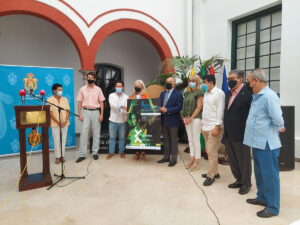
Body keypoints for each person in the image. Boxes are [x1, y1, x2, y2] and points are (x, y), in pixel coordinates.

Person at [244, 68, 285, 218]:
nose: (247, 84)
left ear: (256, 80)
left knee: (270, 175)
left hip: (267, 143)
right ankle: (262, 197)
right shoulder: (256, 96)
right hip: (257, 141)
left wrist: (280, 127)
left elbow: (278, 117)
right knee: (260, 173)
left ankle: (273, 207)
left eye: (248, 81)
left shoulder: (269, 96)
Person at [224, 69, 252, 195]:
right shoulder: (228, 93)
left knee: (243, 160)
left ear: (240, 79)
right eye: (228, 78)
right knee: (233, 159)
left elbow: (252, 114)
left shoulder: (248, 93)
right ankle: (238, 180)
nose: (229, 81)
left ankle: (246, 183)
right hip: (229, 132)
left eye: (232, 78)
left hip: (242, 133)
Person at [76, 72, 105, 163]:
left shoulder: (98, 89)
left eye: (91, 77)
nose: (89, 79)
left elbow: (101, 102)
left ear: (94, 79)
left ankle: (95, 152)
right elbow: (80, 102)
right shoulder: (82, 89)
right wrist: (80, 114)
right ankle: (82, 154)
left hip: (96, 111)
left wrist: (101, 114)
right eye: (88, 77)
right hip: (85, 111)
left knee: (96, 132)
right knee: (84, 133)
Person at [201, 75, 225, 186]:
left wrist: (217, 127)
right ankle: (215, 172)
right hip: (205, 126)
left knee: (211, 153)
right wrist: (202, 124)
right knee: (211, 152)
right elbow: (206, 110)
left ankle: (210, 176)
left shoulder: (219, 93)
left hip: (214, 127)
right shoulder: (206, 93)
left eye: (204, 82)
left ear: (211, 82)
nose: (203, 84)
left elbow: (220, 111)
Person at [157, 76, 183, 167]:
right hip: (163, 120)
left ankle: (174, 159)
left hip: (173, 120)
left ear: (174, 83)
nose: (168, 83)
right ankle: (166, 157)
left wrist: (167, 110)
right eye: (167, 81)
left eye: (170, 81)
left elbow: (179, 107)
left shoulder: (178, 94)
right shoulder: (162, 93)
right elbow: (159, 105)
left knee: (173, 140)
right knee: (166, 139)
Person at [182, 75, 204, 171]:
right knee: (190, 140)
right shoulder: (187, 93)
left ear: (197, 82)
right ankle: (191, 158)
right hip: (186, 118)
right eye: (190, 81)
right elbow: (184, 105)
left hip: (196, 119)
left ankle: (196, 162)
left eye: (193, 81)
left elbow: (199, 107)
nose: (191, 82)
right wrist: (183, 117)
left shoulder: (199, 92)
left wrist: (191, 118)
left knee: (196, 140)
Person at [47, 83, 70, 164]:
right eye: (59, 90)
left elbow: (68, 111)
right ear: (54, 90)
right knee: (56, 140)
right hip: (55, 123)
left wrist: (65, 120)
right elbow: (50, 112)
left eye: (61, 90)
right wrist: (58, 122)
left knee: (63, 140)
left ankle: (62, 156)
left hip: (65, 123)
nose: (61, 92)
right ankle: (57, 157)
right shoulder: (49, 100)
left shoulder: (65, 99)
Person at [107, 80, 128, 159]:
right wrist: (121, 106)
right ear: (115, 87)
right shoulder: (111, 95)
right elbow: (112, 105)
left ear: (123, 87)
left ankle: (121, 151)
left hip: (122, 120)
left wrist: (125, 115)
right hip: (112, 120)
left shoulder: (126, 97)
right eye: (117, 86)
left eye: (120, 86)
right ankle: (111, 152)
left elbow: (126, 108)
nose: (118, 88)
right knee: (112, 137)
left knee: (122, 137)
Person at [129, 80, 149, 160]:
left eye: (138, 86)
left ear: (142, 86)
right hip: (134, 119)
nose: (137, 87)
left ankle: (143, 153)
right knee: (135, 135)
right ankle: (136, 153)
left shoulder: (145, 95)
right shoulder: (132, 96)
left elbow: (148, 105)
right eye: (136, 86)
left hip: (143, 119)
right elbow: (130, 106)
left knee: (142, 136)